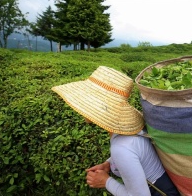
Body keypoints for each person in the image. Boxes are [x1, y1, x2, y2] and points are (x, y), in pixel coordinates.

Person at [51, 66, 180, 196]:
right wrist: (109, 164)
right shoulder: (129, 134)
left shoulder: (121, 148)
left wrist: (105, 182)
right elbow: (136, 153)